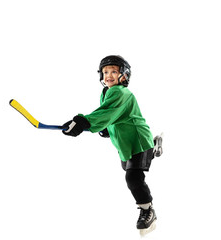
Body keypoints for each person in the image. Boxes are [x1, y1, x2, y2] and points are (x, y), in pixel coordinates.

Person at [61, 55, 163, 233]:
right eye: (105, 72)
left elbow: (106, 112)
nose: (108, 75)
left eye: (114, 71)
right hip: (125, 143)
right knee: (130, 170)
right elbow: (113, 115)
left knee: (133, 178)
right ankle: (155, 147)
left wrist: (84, 122)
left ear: (124, 75)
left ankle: (148, 210)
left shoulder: (121, 92)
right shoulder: (107, 93)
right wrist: (106, 128)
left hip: (138, 140)